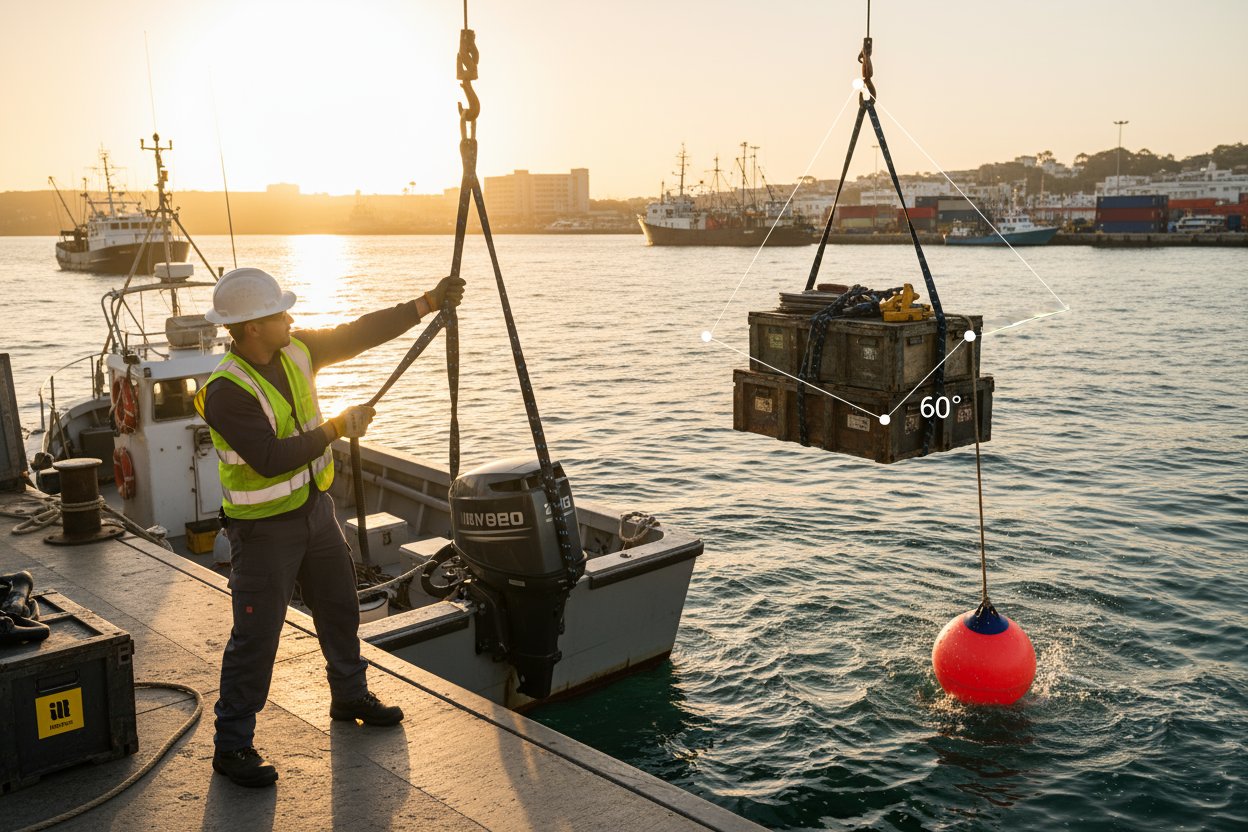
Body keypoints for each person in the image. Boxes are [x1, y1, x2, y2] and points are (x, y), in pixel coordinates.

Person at [196, 267, 465, 787]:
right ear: (252, 327)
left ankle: (349, 696)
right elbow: (272, 458)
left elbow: (356, 333)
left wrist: (427, 301)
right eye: (280, 312)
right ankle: (232, 746)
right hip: (263, 531)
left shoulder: (294, 350)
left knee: (340, 608)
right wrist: (339, 427)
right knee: (256, 637)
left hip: (315, 514)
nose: (290, 317)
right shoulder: (226, 391)